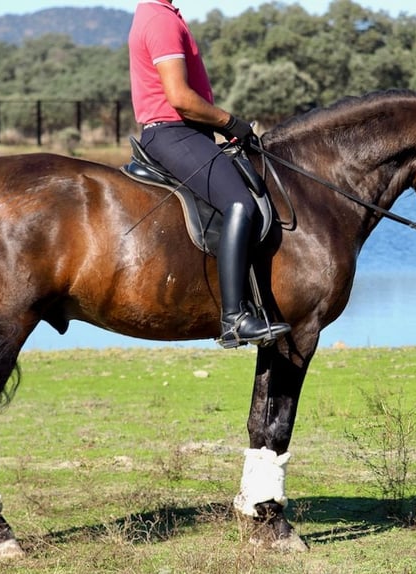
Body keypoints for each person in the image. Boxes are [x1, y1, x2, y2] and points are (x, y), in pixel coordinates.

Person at [128, 0, 290, 349]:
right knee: (239, 202)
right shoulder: (160, 20)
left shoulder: (158, 14)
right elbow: (180, 97)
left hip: (181, 133)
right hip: (174, 133)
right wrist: (231, 122)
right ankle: (235, 318)